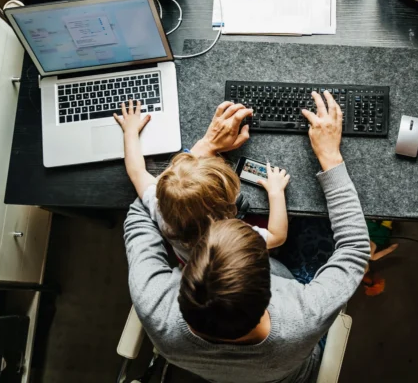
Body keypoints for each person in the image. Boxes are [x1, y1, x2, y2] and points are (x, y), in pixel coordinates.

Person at [121, 92, 371, 383]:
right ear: (270, 290)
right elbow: (354, 249)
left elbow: (139, 214)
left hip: (214, 373)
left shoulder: (154, 306)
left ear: (184, 279)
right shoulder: (302, 316)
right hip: (292, 373)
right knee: (316, 230)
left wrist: (203, 150)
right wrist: (330, 156)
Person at [114, 100, 291, 263]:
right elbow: (277, 236)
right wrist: (276, 192)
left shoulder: (159, 206)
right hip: (227, 259)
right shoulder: (231, 236)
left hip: (189, 260)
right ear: (228, 206)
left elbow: (137, 171)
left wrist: (130, 132)